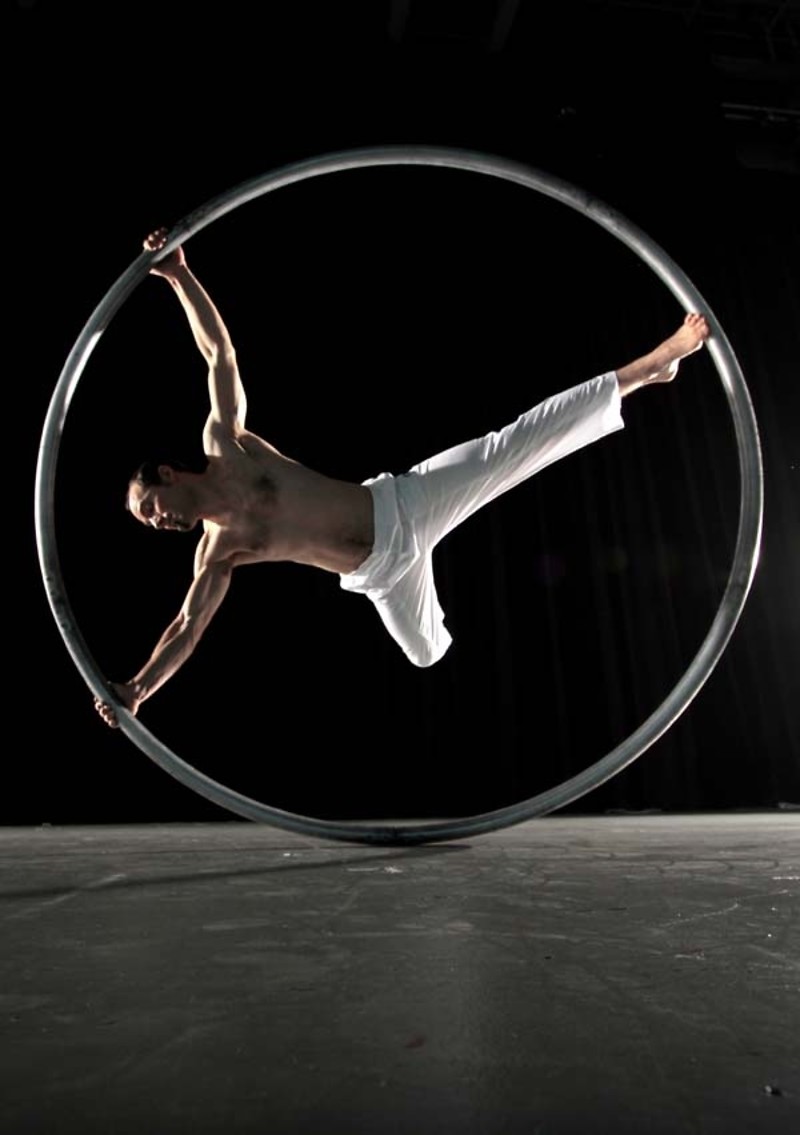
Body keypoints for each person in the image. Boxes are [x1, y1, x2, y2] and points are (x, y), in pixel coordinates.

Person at [94, 228, 710, 727]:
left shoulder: (227, 445)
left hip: (403, 504)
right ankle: (440, 633)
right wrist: (138, 689)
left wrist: (179, 275)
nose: (158, 521)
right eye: (150, 523)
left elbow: (219, 355)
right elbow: (186, 628)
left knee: (513, 445)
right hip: (383, 577)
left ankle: (649, 367)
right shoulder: (218, 552)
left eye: (151, 506)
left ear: (168, 474)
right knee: (426, 654)